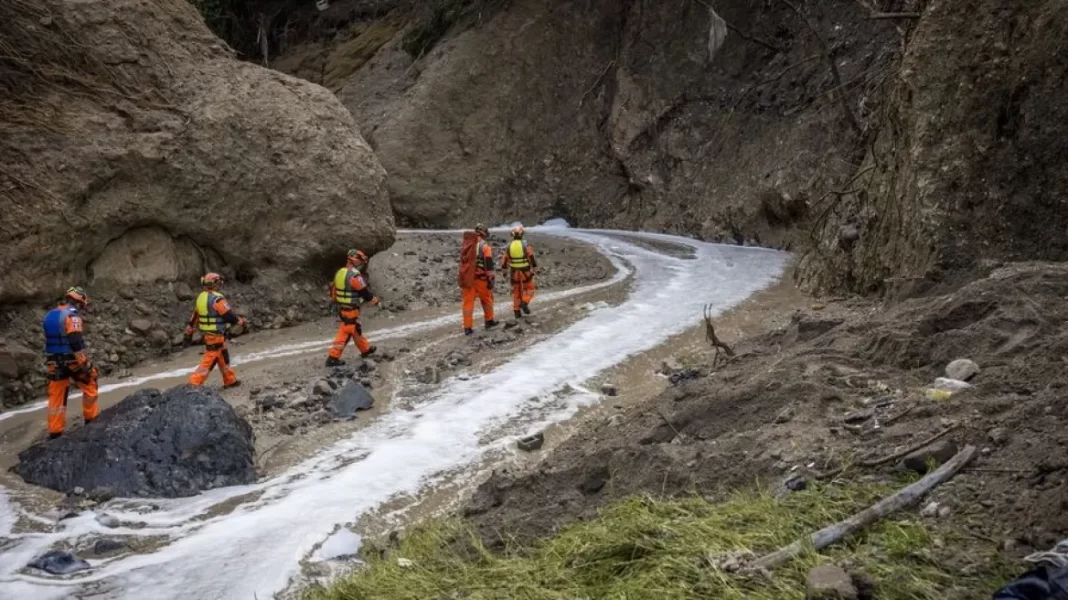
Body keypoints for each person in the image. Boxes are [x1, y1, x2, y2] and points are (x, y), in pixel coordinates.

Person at [41, 286, 99, 439]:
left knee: (56, 395)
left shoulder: (49, 315)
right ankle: (91, 420)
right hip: (72, 361)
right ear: (79, 302)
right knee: (90, 383)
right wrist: (85, 364)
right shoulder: (72, 316)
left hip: (53, 362)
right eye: (82, 305)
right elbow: (75, 342)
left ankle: (55, 432)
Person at [184, 272, 246, 388]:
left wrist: (190, 327)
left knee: (223, 355)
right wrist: (240, 321)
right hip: (215, 334)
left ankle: (230, 380)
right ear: (215, 283)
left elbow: (195, 315)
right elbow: (228, 316)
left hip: (210, 333)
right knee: (209, 360)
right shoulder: (217, 299)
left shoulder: (201, 297)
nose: (221, 284)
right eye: (219, 282)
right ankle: (193, 383)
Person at [326, 249, 380, 366]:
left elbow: (334, 289)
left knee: (355, 329)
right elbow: (363, 292)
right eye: (360, 260)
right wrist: (373, 300)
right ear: (354, 260)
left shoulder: (340, 272)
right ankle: (333, 357)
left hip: (343, 307)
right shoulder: (354, 275)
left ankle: (365, 350)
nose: (360, 263)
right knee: (345, 332)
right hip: (351, 308)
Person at [459, 223, 499, 335]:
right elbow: (489, 266)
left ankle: (467, 328)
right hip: (481, 279)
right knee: (487, 300)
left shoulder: (466, 245)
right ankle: (489, 321)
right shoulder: (485, 247)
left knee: (468, 304)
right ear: (484, 233)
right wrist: (491, 279)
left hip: (468, 278)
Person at [501, 224, 537, 319]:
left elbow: (504, 260)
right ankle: (524, 303)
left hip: (514, 272)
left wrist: (504, 271)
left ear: (513, 235)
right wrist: (535, 268)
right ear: (522, 234)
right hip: (525, 271)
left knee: (516, 291)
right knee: (530, 289)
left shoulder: (509, 246)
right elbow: (531, 257)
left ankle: (517, 312)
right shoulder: (525, 245)